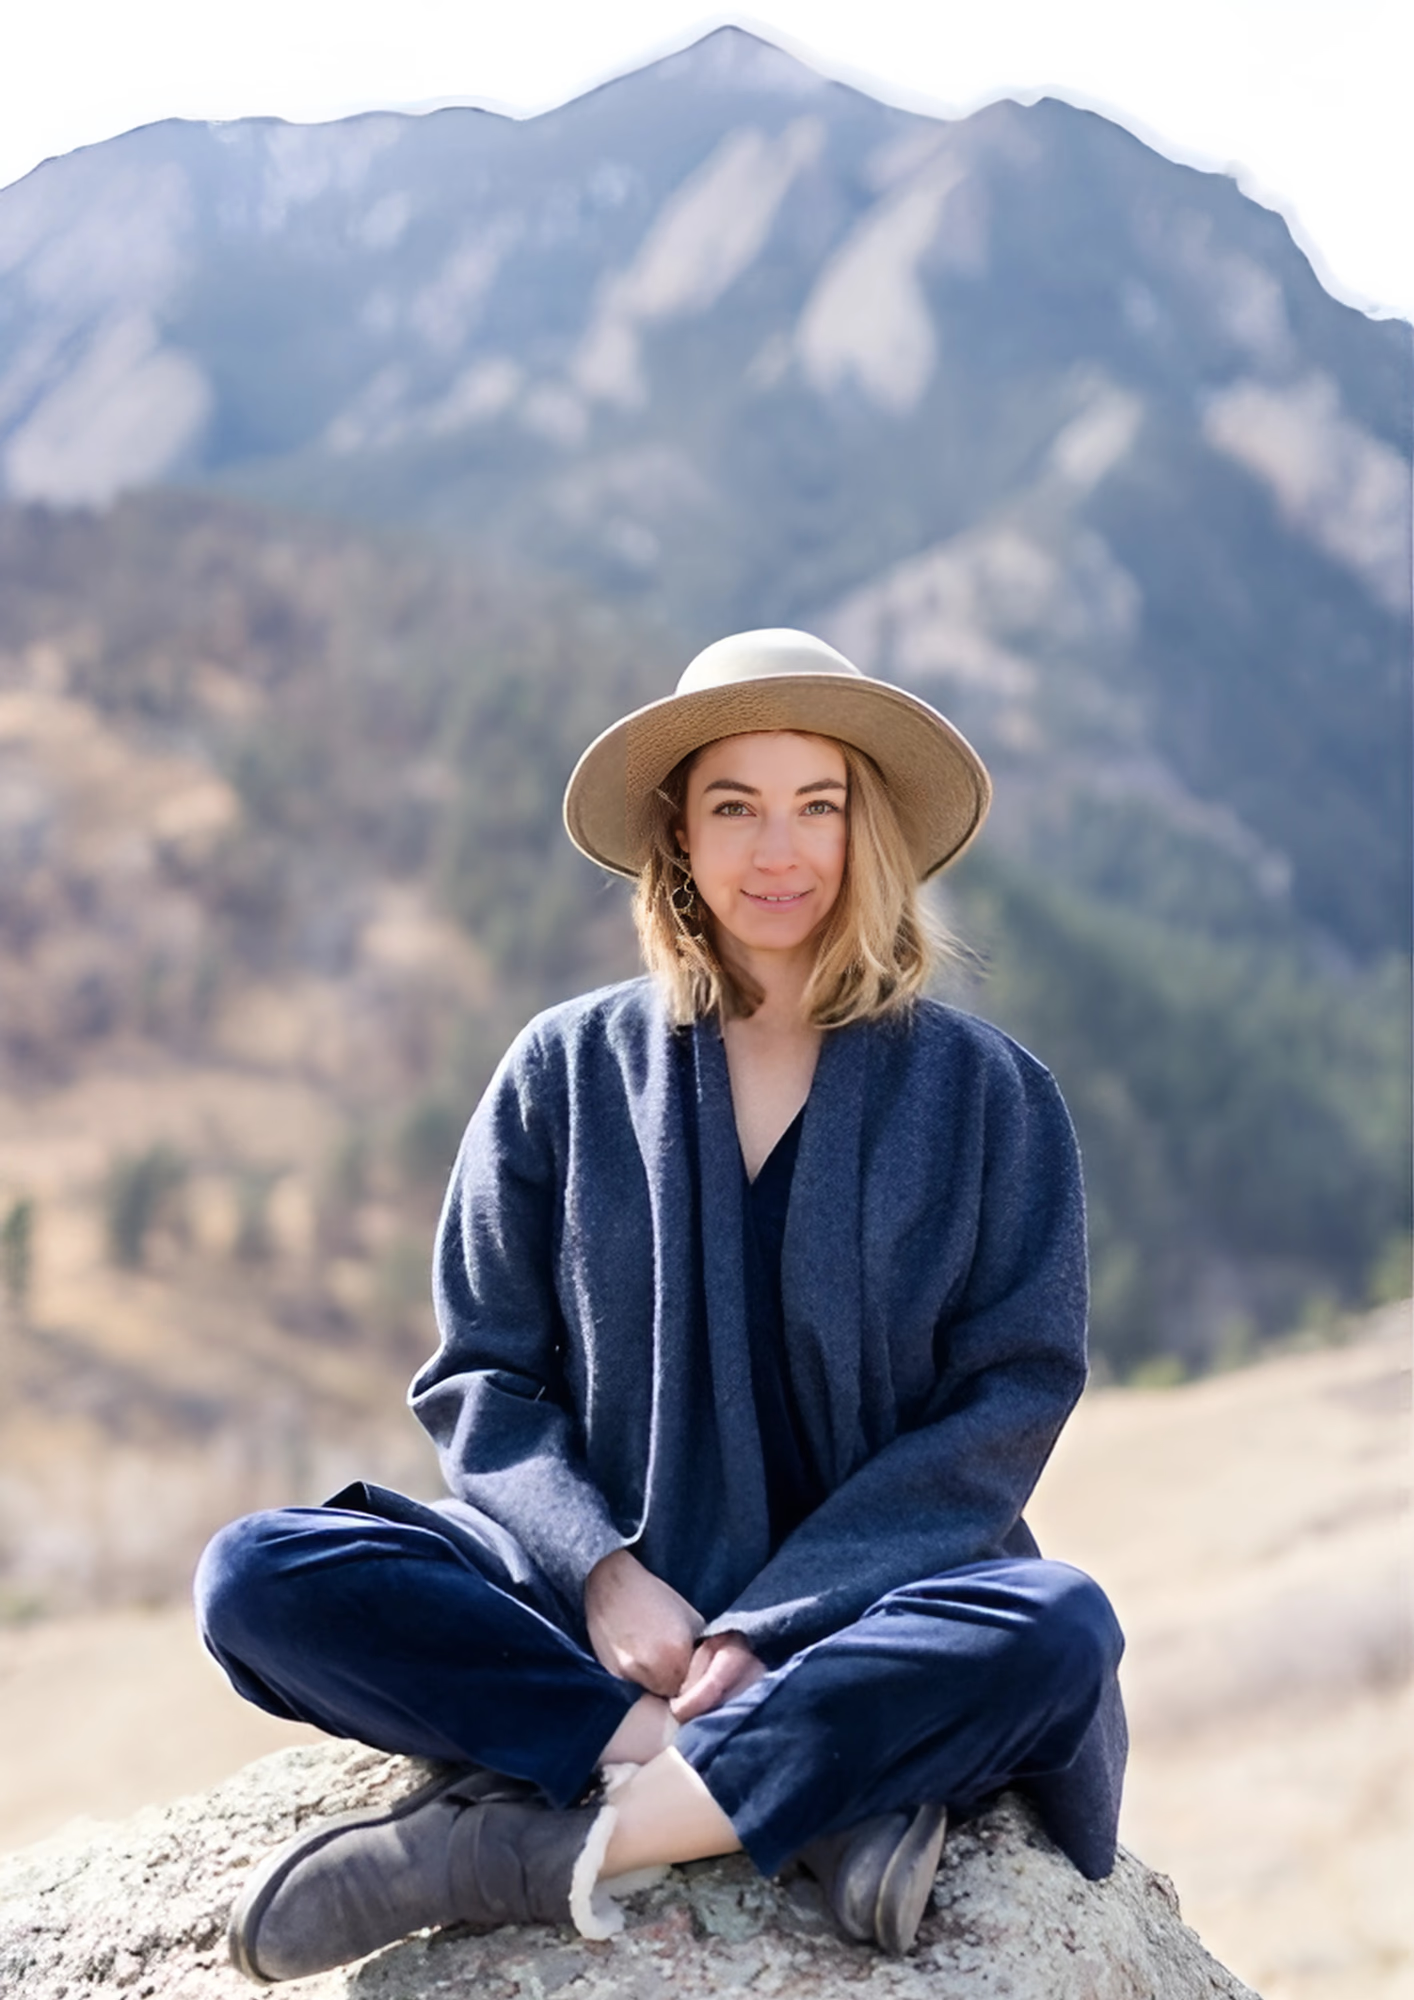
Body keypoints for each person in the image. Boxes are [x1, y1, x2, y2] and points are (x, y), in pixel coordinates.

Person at [196, 629, 1127, 1986]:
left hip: (871, 1609)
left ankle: (506, 1851)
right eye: (733, 806)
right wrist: (602, 1574)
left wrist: (771, 1630)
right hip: (594, 1611)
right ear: (675, 838)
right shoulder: (560, 1070)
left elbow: (1010, 1398)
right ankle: (795, 1801)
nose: (778, 850)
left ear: (867, 830)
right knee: (260, 1576)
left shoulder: (991, 1098)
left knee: (1054, 1628)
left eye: (819, 805)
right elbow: (483, 1378)